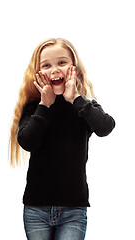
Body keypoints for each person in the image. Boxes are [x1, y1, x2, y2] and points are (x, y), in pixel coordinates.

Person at [9, 38, 115, 240]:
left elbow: (105, 127)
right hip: (36, 210)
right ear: (37, 73)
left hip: (73, 211)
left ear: (74, 68)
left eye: (62, 62)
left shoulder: (85, 106)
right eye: (46, 65)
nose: (55, 69)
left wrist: (76, 99)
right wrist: (44, 106)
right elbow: (27, 142)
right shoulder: (33, 108)